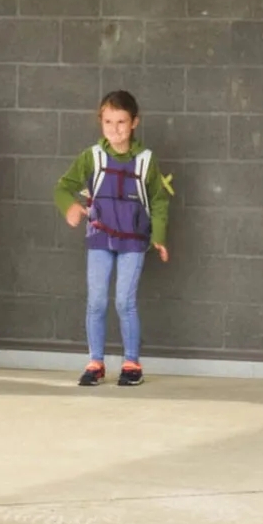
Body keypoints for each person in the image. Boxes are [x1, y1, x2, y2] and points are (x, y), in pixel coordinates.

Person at [54, 90, 170, 387]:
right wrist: (69, 207)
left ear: (134, 123)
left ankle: (132, 363)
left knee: (124, 301)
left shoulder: (146, 160)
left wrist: (158, 237)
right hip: (99, 238)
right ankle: (95, 363)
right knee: (96, 301)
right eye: (108, 122)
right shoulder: (91, 156)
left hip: (133, 240)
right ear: (100, 122)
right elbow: (63, 187)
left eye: (121, 122)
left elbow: (158, 200)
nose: (115, 129)